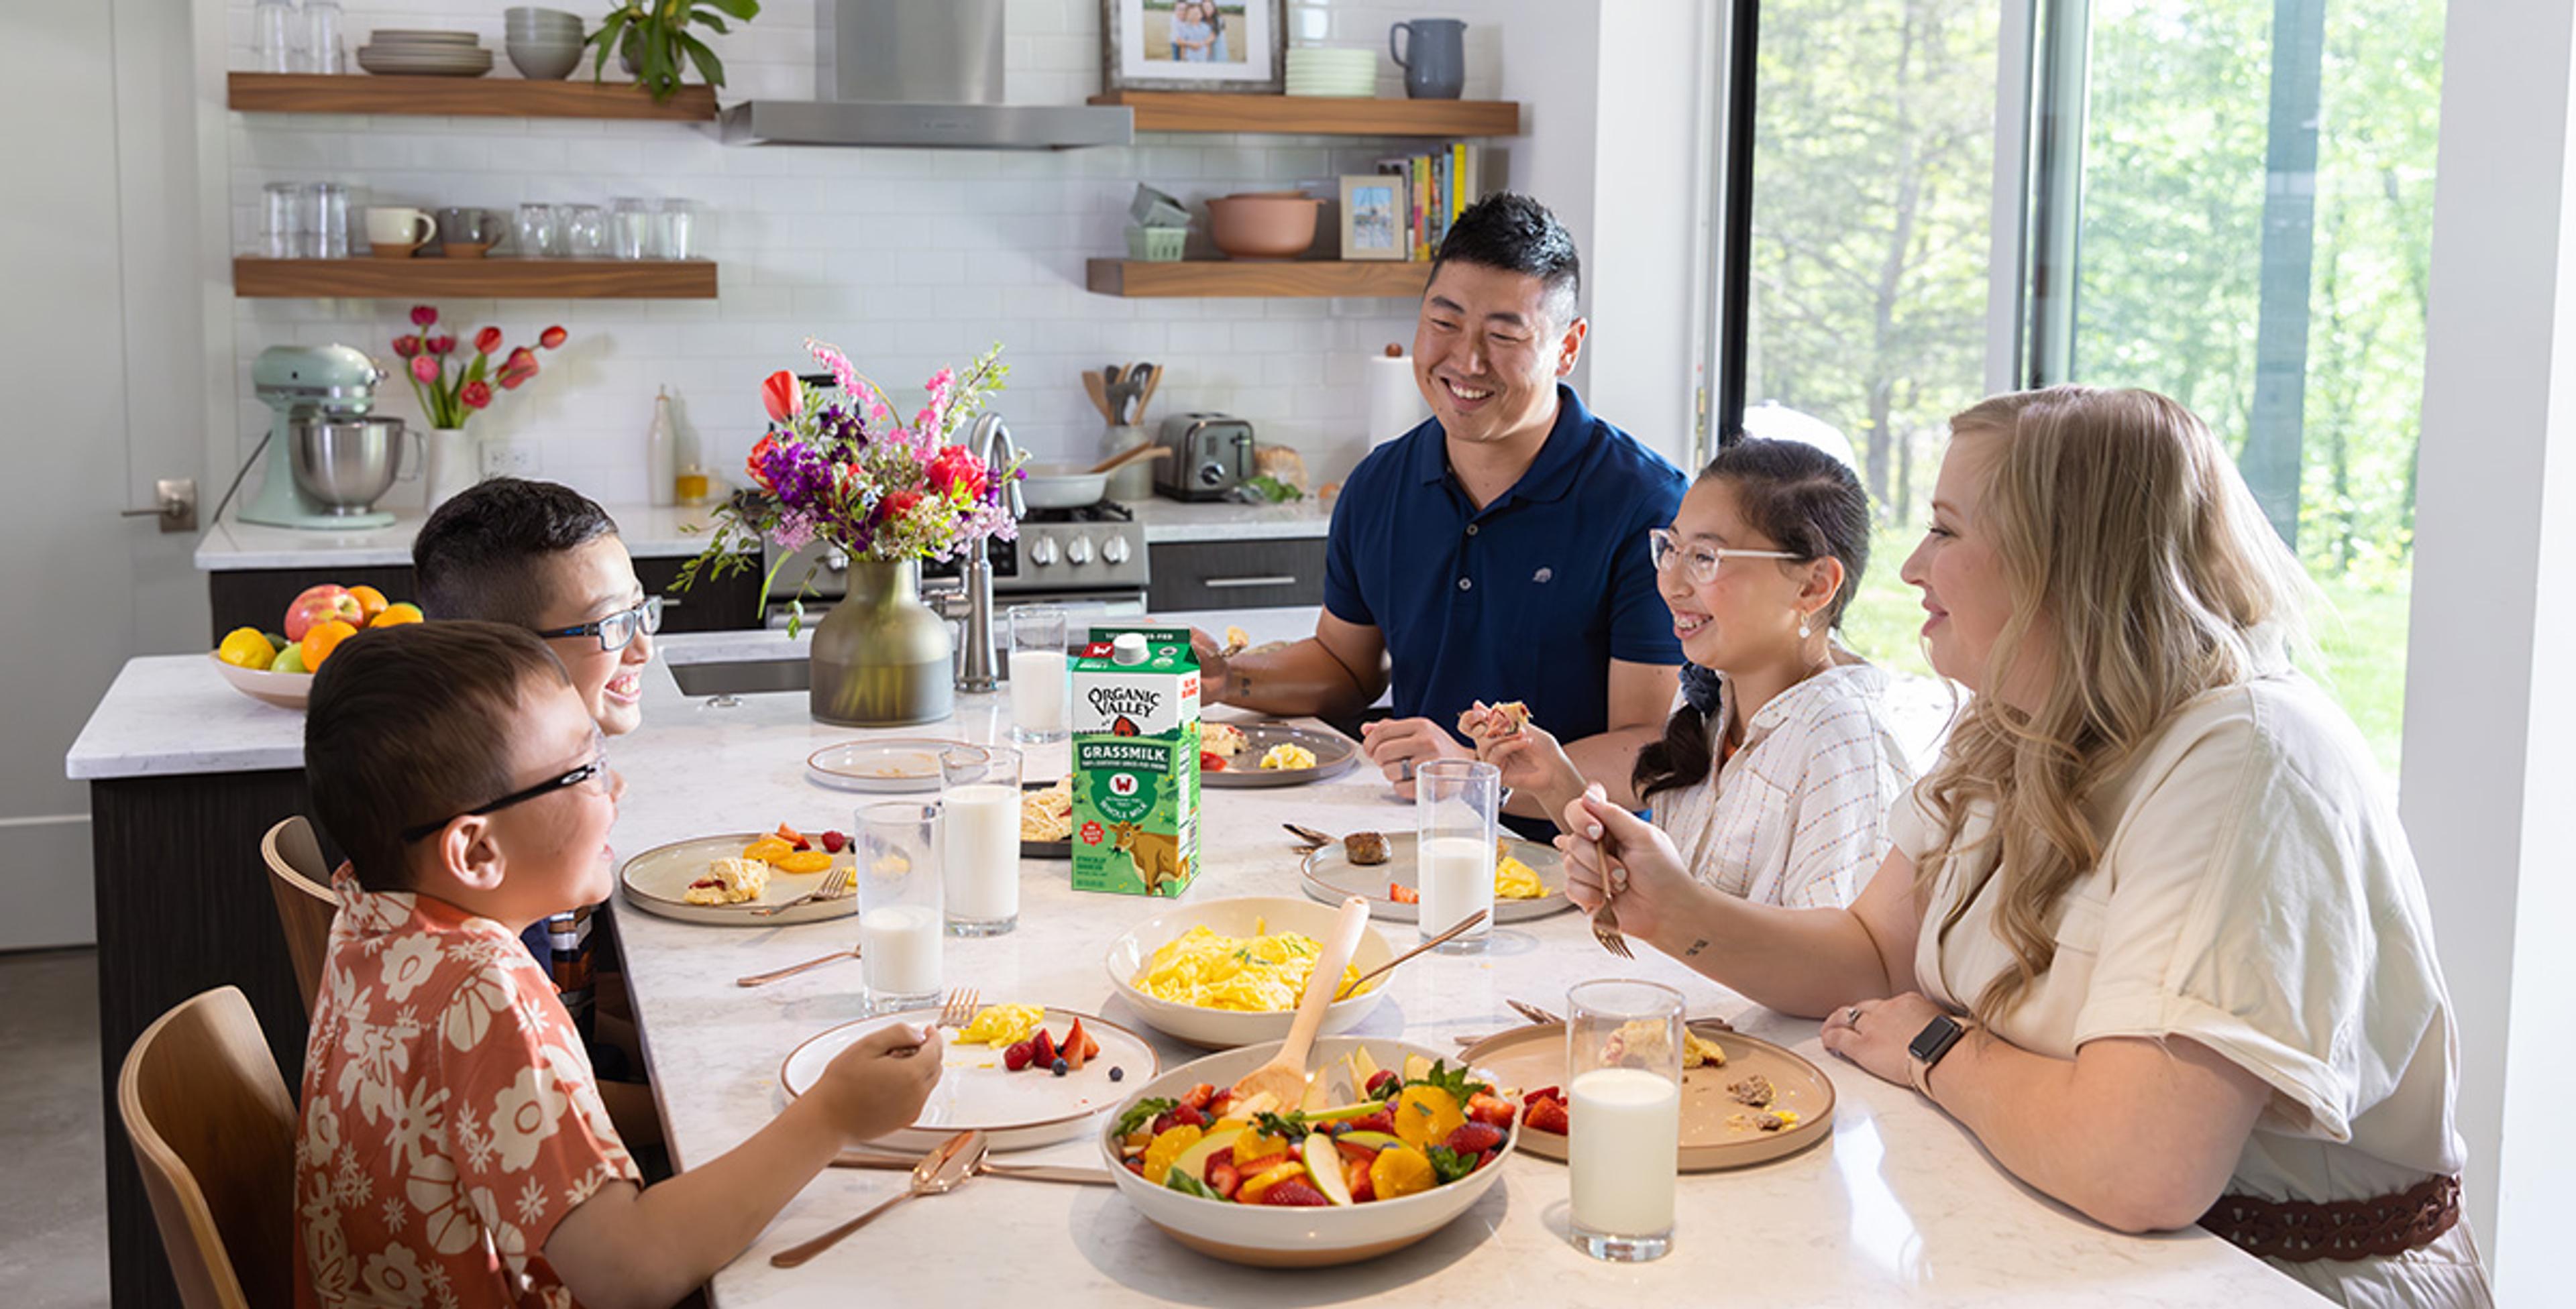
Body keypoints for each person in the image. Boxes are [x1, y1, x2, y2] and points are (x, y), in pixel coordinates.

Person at [1554, 386, 2490, 1306]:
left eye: (1947, 530)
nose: (1914, 565)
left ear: (2068, 558)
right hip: (2053, 1248)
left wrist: (1934, 1045)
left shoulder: (2246, 757)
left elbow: (2136, 1164)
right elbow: (1874, 957)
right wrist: (1671, 912)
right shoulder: (2010, 722)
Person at [296, 622, 943, 1308]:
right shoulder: (483, 990)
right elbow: (627, 1271)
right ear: (476, 853)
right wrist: (832, 1114)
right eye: (585, 770)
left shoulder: (372, 921)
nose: (618, 784)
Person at [1193, 193, 1687, 823]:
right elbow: (1347, 665)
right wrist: (1228, 680)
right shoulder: (1379, 483)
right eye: (1444, 323)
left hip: (1575, 868)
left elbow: (1650, 745)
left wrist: (1472, 774)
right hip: (1414, 836)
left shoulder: (1648, 506)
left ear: (1567, 349)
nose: (1466, 361)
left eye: (1505, 335)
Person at [1473, 438, 1913, 907]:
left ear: (1813, 585)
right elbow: (1665, 894)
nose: (1670, 583)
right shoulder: (1708, 697)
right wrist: (1554, 779)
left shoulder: (1842, 745)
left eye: (1705, 558)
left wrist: (1676, 911)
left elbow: (1838, 965)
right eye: (1671, 548)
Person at [413, 477, 661, 1134]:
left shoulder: (527, 788)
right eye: (613, 624)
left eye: (642, 611)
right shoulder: (504, 837)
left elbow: (560, 1013)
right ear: (508, 652)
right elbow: (541, 1092)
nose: (644, 648)